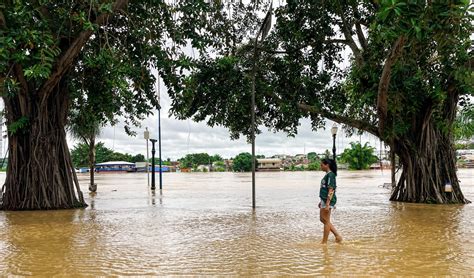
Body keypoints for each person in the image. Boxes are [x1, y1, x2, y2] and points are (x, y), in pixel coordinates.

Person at [319, 158, 342, 244]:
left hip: (328, 201)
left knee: (326, 221)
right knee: (322, 219)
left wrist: (328, 204)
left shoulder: (331, 175)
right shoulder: (328, 175)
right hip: (324, 200)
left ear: (327, 165)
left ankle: (324, 242)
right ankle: (337, 236)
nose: (320, 167)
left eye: (322, 165)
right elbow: (324, 188)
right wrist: (321, 200)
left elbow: (331, 190)